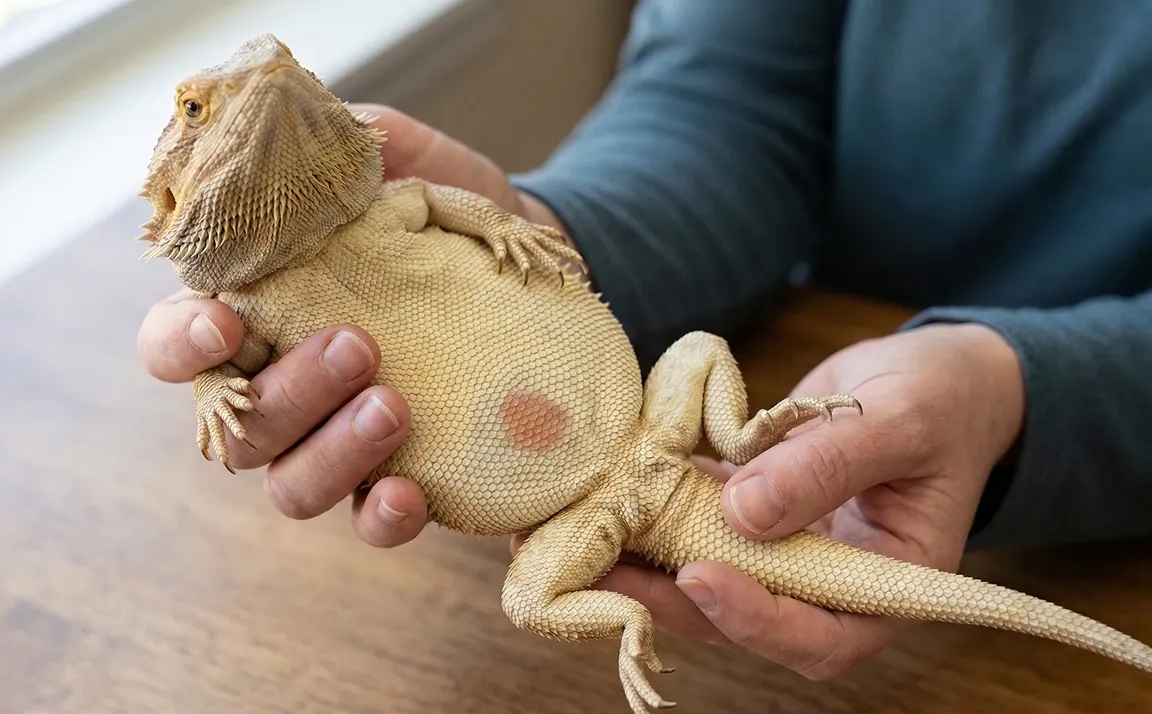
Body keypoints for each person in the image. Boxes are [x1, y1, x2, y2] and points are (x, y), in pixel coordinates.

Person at [137, 1, 1152, 681]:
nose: (265, 72)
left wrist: (1026, 392)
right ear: (177, 193)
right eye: (196, 107)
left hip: (1092, 493)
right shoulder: (281, 288)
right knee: (535, 588)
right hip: (672, 442)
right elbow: (727, 96)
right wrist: (545, 229)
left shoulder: (403, 211)